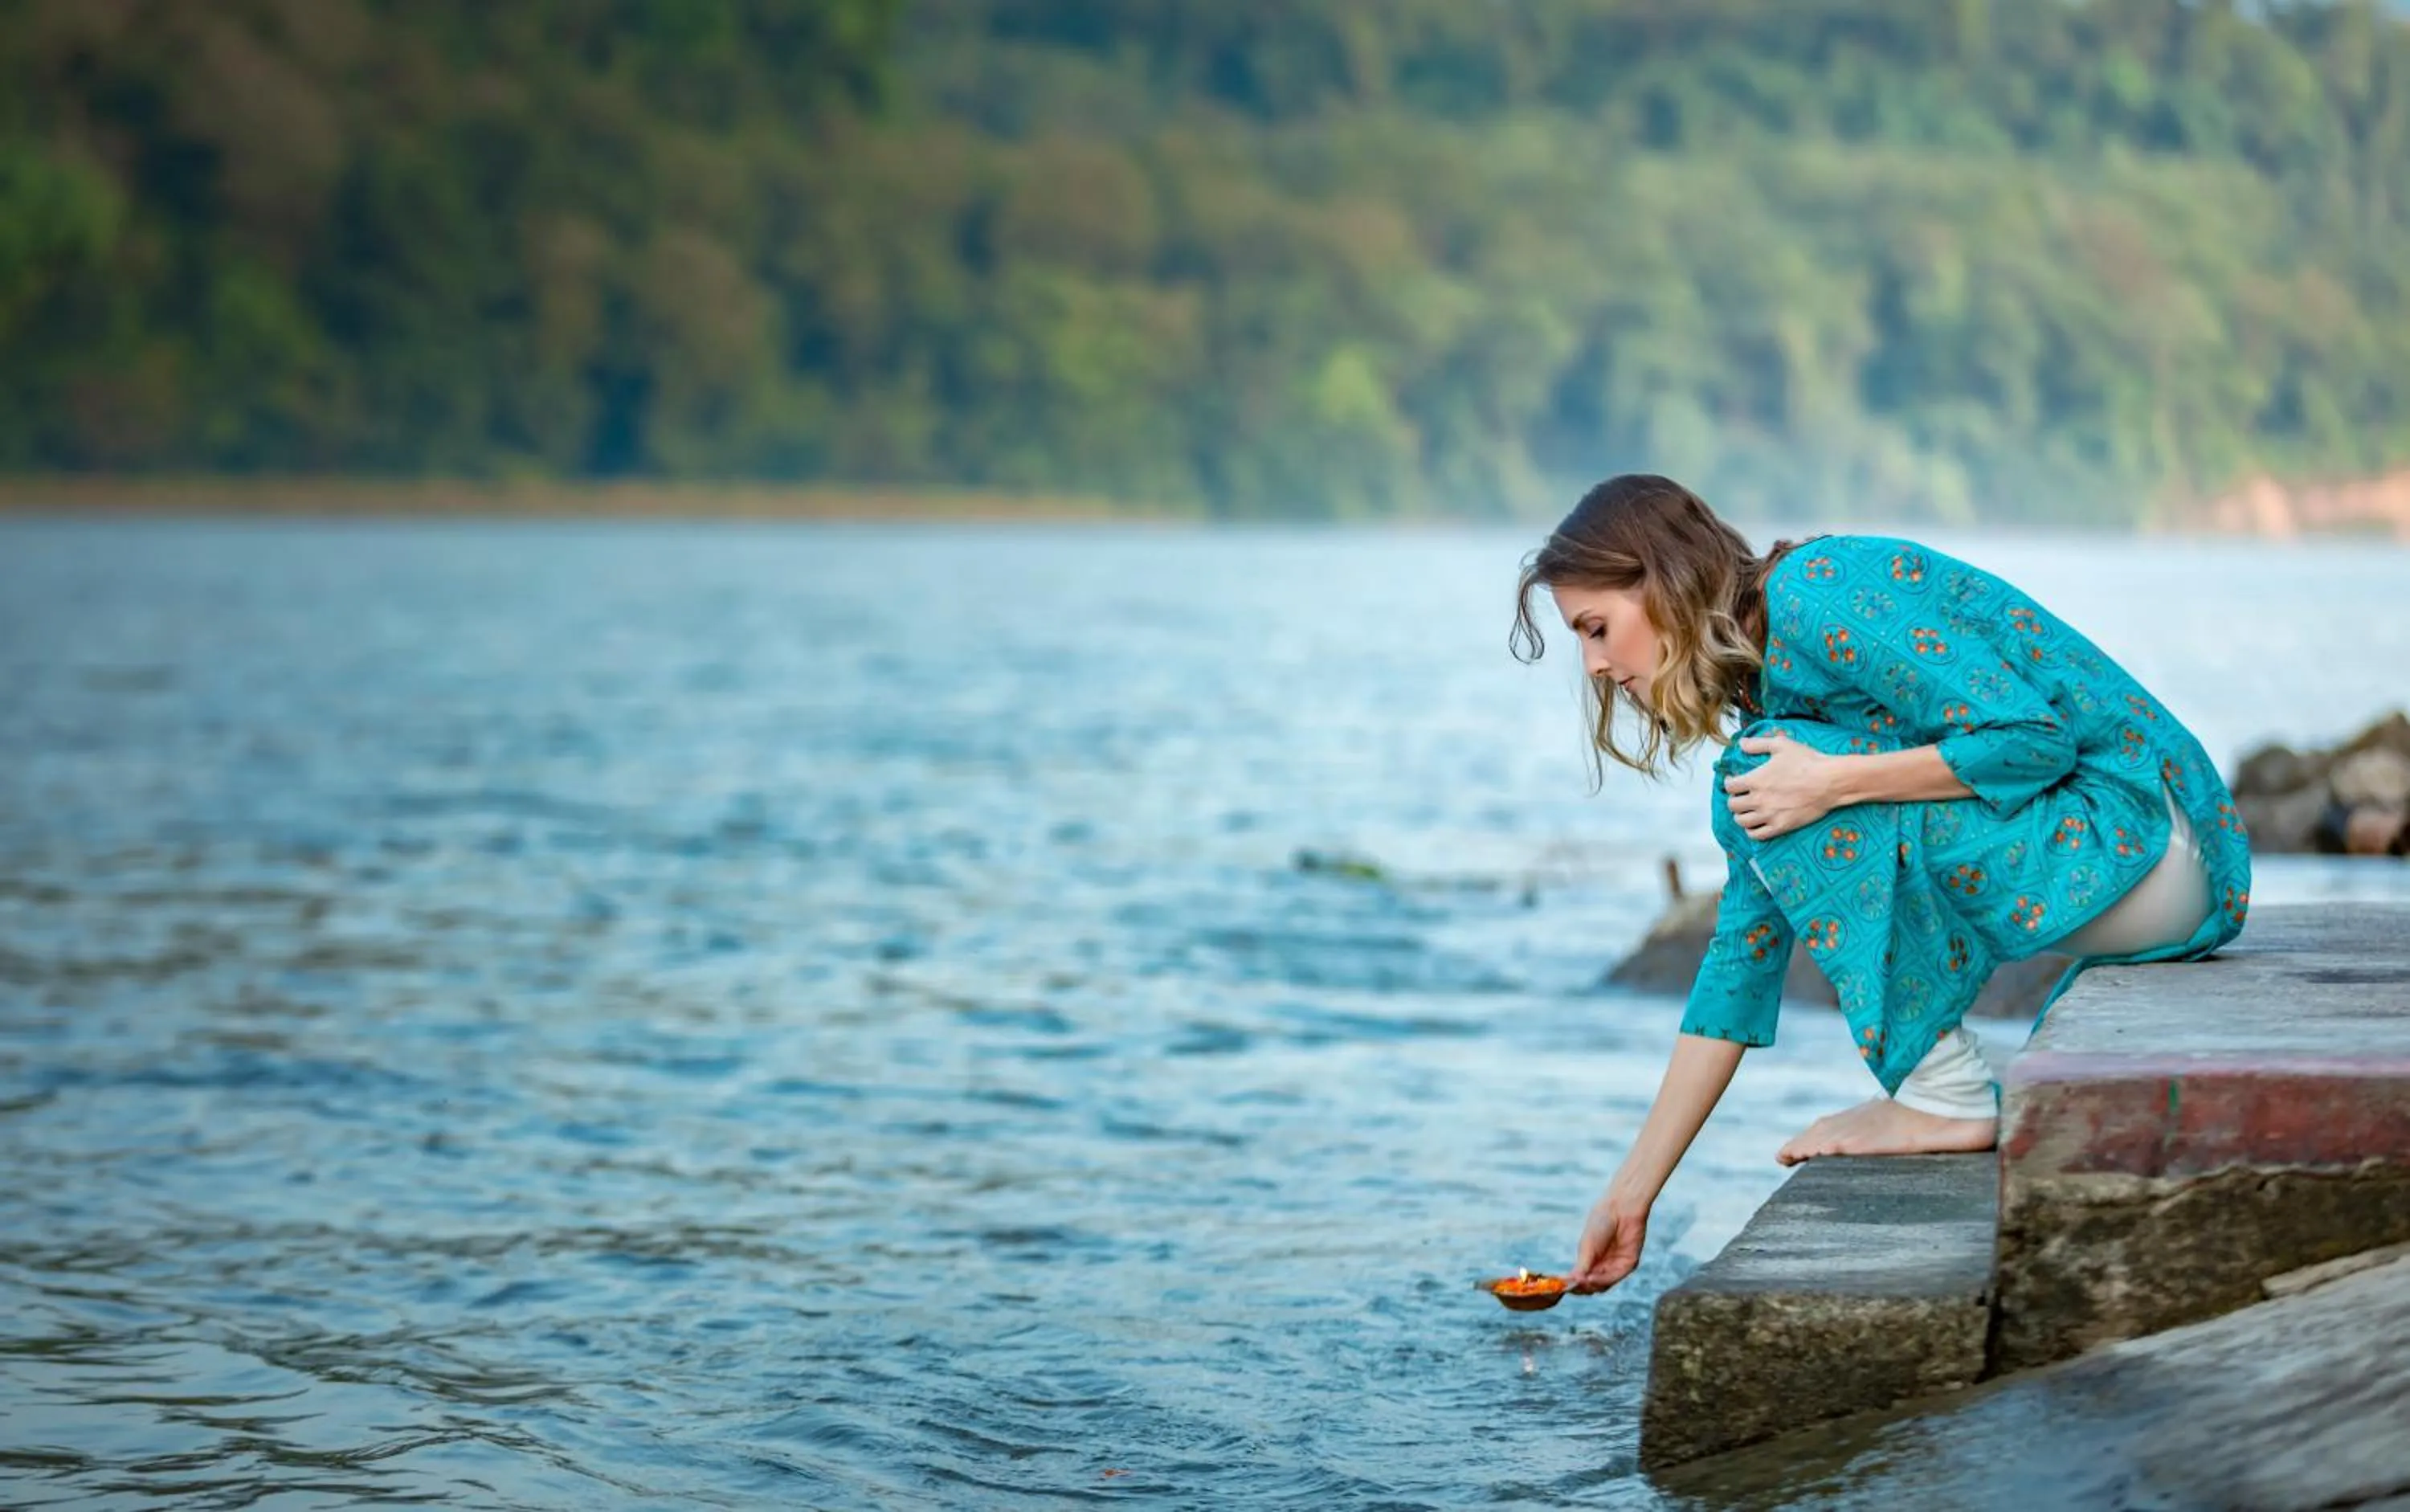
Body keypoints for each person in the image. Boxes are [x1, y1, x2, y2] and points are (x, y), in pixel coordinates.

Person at [1506, 475, 2252, 1296]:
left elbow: (2033, 739)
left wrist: (1837, 782)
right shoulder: (1768, 711)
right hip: (2133, 871)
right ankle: (1940, 1086)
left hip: (2151, 833)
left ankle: (1946, 1093)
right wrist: (1632, 1189)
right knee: (1761, 779)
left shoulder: (1817, 592)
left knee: (1771, 776)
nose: (1597, 665)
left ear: (1660, 580)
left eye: (1597, 628)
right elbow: (1741, 959)